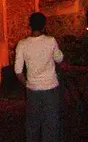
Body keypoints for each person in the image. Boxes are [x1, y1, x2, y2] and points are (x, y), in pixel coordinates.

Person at [15, 11, 64, 142]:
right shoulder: (51, 41)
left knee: (33, 125)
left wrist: (27, 84)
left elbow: (18, 71)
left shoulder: (22, 44)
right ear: (44, 26)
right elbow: (59, 58)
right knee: (51, 124)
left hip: (33, 90)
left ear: (30, 26)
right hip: (51, 88)